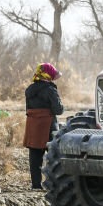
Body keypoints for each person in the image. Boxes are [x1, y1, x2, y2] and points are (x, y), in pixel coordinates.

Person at [23, 62, 64, 190]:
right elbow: (58, 110)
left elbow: (28, 110)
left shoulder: (29, 90)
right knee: (53, 157)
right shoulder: (50, 90)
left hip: (33, 126)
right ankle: (52, 185)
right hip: (48, 127)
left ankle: (36, 185)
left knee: (34, 156)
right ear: (48, 75)